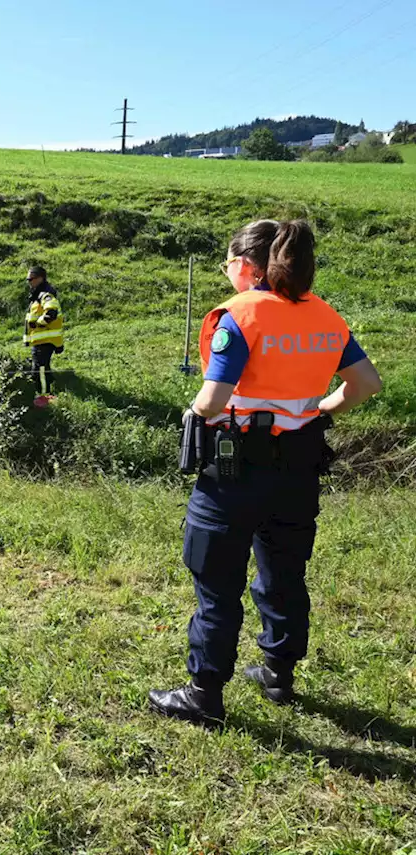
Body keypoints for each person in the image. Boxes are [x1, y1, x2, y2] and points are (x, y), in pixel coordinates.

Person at [150, 220, 382, 726]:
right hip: (299, 466)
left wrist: (194, 414)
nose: (226, 271)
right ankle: (278, 674)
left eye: (229, 263)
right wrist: (319, 411)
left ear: (250, 266)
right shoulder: (325, 317)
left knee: (216, 576)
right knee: (284, 572)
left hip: (237, 469)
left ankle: (204, 693)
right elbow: (366, 383)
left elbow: (212, 400)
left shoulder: (241, 316)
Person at [23, 266, 63, 399]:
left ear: (40, 278)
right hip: (41, 340)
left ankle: (44, 397)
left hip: (44, 340)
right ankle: (48, 391)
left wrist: (38, 323)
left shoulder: (45, 294)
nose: (29, 282)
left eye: (31, 279)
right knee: (43, 367)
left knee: (39, 370)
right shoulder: (38, 295)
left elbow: (51, 313)